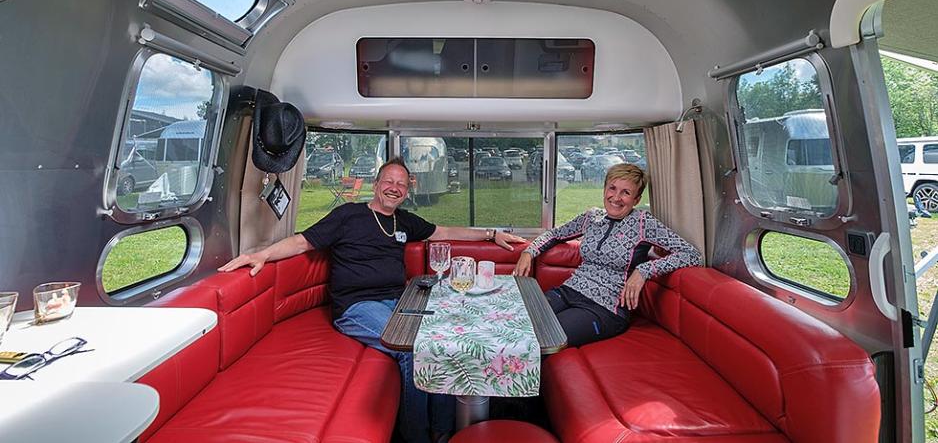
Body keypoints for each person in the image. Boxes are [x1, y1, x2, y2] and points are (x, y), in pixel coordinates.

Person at [219, 157, 526, 443]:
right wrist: (262, 254)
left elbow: (443, 231)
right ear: (377, 184)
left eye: (401, 184)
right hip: (357, 307)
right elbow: (302, 242)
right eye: (389, 181)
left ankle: (443, 431)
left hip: (400, 302)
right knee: (411, 348)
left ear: (407, 191)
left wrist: (491, 234)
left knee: (440, 342)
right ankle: (416, 436)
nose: (394, 188)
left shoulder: (403, 221)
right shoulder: (348, 215)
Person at [513, 163, 701, 347]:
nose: (616, 197)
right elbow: (554, 234)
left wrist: (644, 270)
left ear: (636, 200)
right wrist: (528, 252)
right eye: (612, 188)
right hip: (568, 291)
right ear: (604, 189)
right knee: (517, 320)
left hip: (605, 308)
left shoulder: (644, 223)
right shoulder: (591, 217)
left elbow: (691, 254)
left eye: (626, 192)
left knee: (543, 337)